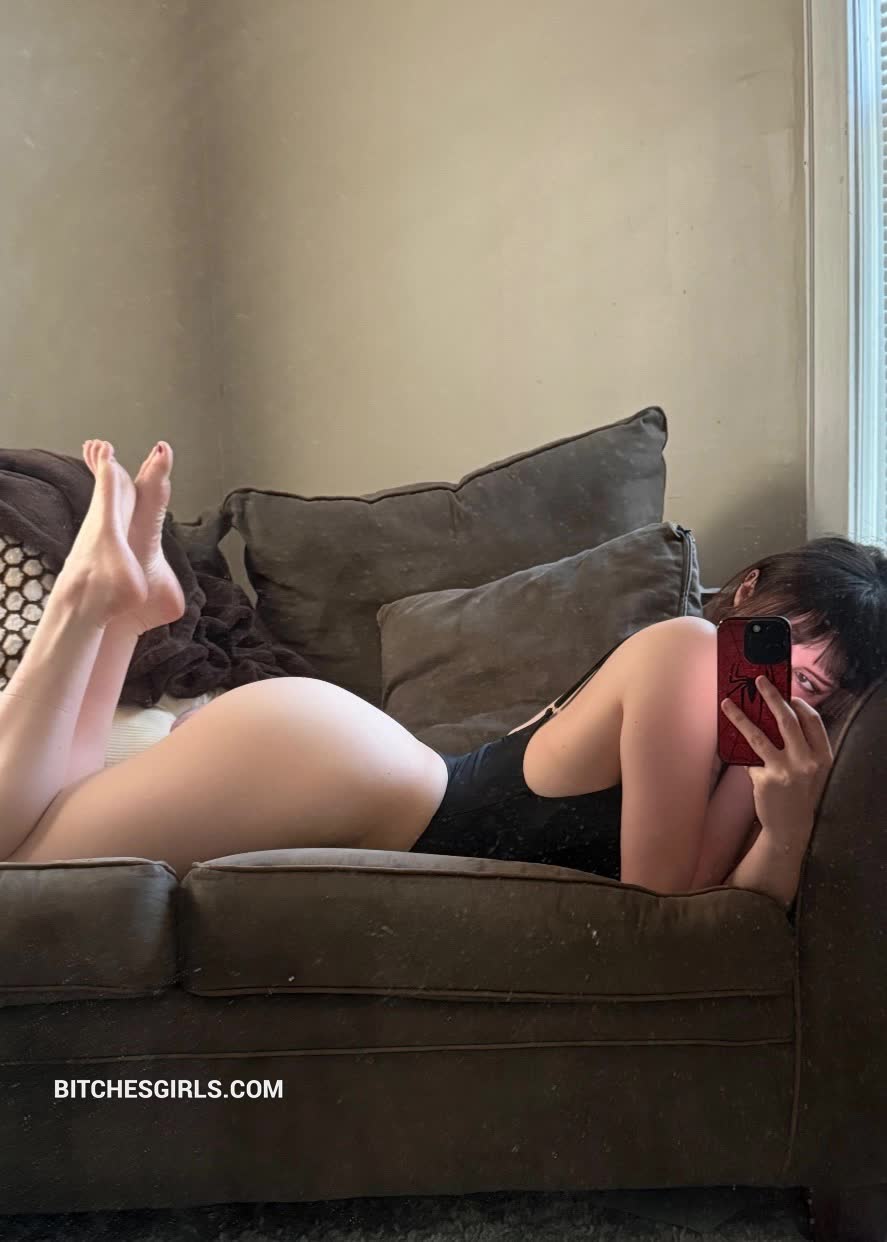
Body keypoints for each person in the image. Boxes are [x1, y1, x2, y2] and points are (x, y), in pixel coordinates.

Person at [1, 440, 885, 912]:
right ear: (744, 594)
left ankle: (120, 616)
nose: (809, 670)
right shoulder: (686, 651)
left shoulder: (749, 758)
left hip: (336, 768)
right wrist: (777, 820)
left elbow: (727, 928)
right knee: (24, 875)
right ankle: (86, 602)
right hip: (332, 766)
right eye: (800, 633)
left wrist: (781, 817)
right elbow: (664, 910)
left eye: (837, 671)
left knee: (42, 844)